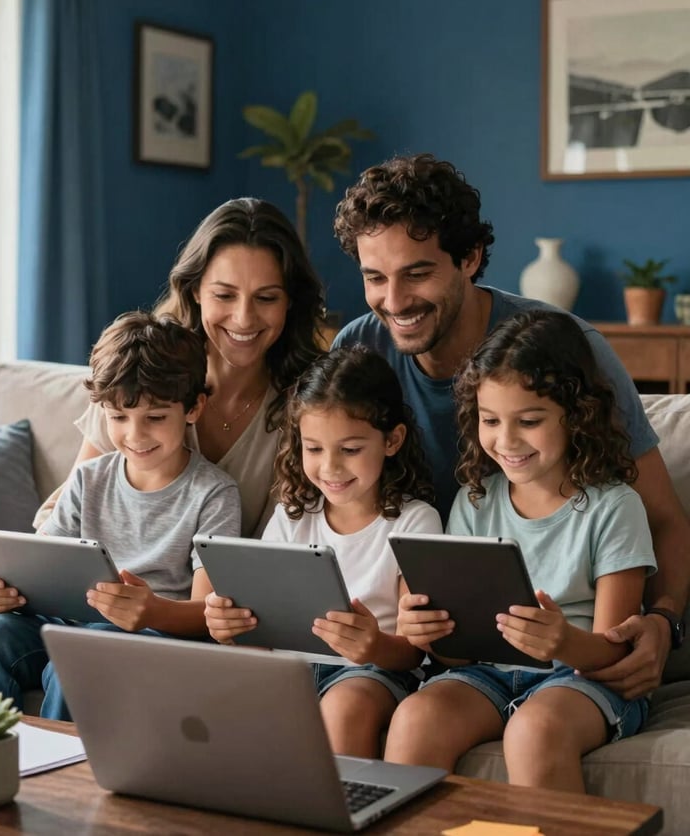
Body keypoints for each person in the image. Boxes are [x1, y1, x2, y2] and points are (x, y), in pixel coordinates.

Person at [332, 153, 690, 698]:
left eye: (418, 273)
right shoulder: (358, 352)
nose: (394, 301)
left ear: (470, 257)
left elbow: (663, 516)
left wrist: (664, 621)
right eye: (374, 277)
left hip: (564, 638)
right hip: (436, 642)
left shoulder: (565, 348)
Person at [385, 310, 657, 792]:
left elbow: (615, 649)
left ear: (576, 416)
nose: (505, 441)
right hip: (487, 673)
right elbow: (455, 657)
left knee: (534, 730)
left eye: (528, 421)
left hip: (583, 677)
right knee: (415, 717)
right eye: (490, 420)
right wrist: (428, 635)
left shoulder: (615, 506)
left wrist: (562, 643)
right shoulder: (474, 501)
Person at [0, 311, 241, 720]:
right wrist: (5, 593)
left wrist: (151, 609)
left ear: (193, 408)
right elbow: (42, 564)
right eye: (118, 417)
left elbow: (206, 613)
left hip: (150, 634)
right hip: (71, 622)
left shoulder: (214, 493)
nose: (135, 435)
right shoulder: (89, 478)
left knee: (81, 656)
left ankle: (61, 782)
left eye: (155, 418)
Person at [204, 346, 444, 759]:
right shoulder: (293, 516)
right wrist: (229, 629)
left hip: (373, 671)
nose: (329, 467)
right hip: (289, 666)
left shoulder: (415, 521)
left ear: (392, 440)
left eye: (350, 450)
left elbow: (412, 649)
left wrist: (372, 646)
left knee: (343, 709)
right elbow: (263, 629)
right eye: (313, 449)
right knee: (219, 699)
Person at [38, 197, 326, 538]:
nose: (244, 318)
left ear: (290, 302)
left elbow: (285, 550)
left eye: (266, 298)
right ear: (195, 291)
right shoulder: (142, 368)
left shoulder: (309, 405)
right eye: (224, 295)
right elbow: (64, 512)